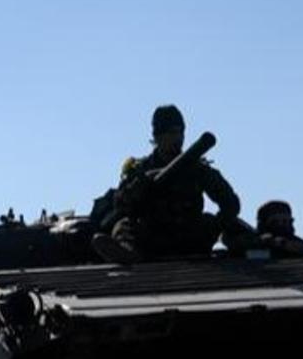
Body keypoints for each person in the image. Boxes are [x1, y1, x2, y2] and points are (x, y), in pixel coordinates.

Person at [92, 104, 240, 263]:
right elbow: (121, 207)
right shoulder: (140, 169)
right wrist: (139, 187)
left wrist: (214, 228)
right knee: (123, 225)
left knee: (208, 220)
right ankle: (128, 253)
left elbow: (231, 204)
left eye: (180, 132)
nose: (178, 138)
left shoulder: (197, 168)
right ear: (157, 136)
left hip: (188, 235)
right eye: (172, 133)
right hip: (153, 235)